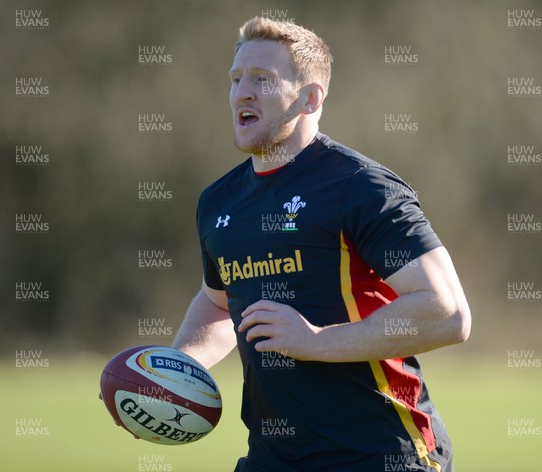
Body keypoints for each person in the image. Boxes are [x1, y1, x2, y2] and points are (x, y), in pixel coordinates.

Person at [172, 16, 471, 472]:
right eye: (236, 79)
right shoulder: (218, 201)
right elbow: (218, 306)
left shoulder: (361, 187)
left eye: (263, 79)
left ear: (310, 97)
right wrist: (172, 371)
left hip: (382, 455)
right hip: (273, 459)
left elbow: (447, 313)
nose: (242, 93)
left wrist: (315, 341)